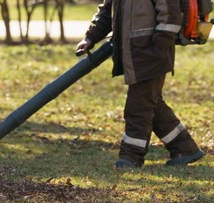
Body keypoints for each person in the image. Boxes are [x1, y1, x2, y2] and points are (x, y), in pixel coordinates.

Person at [76, 0, 204, 168]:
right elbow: (107, 11)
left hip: (152, 56)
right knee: (151, 103)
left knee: (137, 108)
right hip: (137, 55)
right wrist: (90, 37)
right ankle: (184, 148)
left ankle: (131, 157)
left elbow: (170, 16)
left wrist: (158, 49)